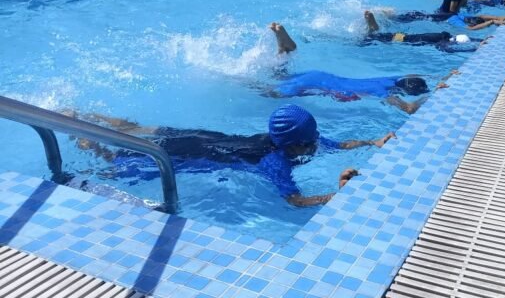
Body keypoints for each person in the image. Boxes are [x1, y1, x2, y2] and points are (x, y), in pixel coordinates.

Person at [66, 105, 395, 207]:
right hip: (193, 153)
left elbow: (337, 145)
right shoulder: (274, 161)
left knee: (143, 128)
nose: (317, 143)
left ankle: (88, 115)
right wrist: (334, 195)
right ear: (295, 146)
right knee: (115, 164)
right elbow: (294, 201)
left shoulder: (295, 140)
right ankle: (88, 141)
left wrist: (372, 142)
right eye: (311, 141)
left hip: (206, 136)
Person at [267, 23, 455, 114]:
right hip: (315, 85)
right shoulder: (383, 91)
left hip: (319, 76)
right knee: (268, 92)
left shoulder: (390, 79)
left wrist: (443, 76)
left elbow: (414, 74)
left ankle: (285, 49)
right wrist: (433, 94)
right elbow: (409, 108)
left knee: (279, 75)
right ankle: (242, 77)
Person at [362, 11, 485, 52]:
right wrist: (473, 49)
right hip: (401, 40)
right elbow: (447, 50)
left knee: (376, 35)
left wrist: (480, 41)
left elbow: (459, 40)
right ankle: (371, 29)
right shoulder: (443, 42)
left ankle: (372, 28)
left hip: (403, 36)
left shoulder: (444, 35)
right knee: (372, 37)